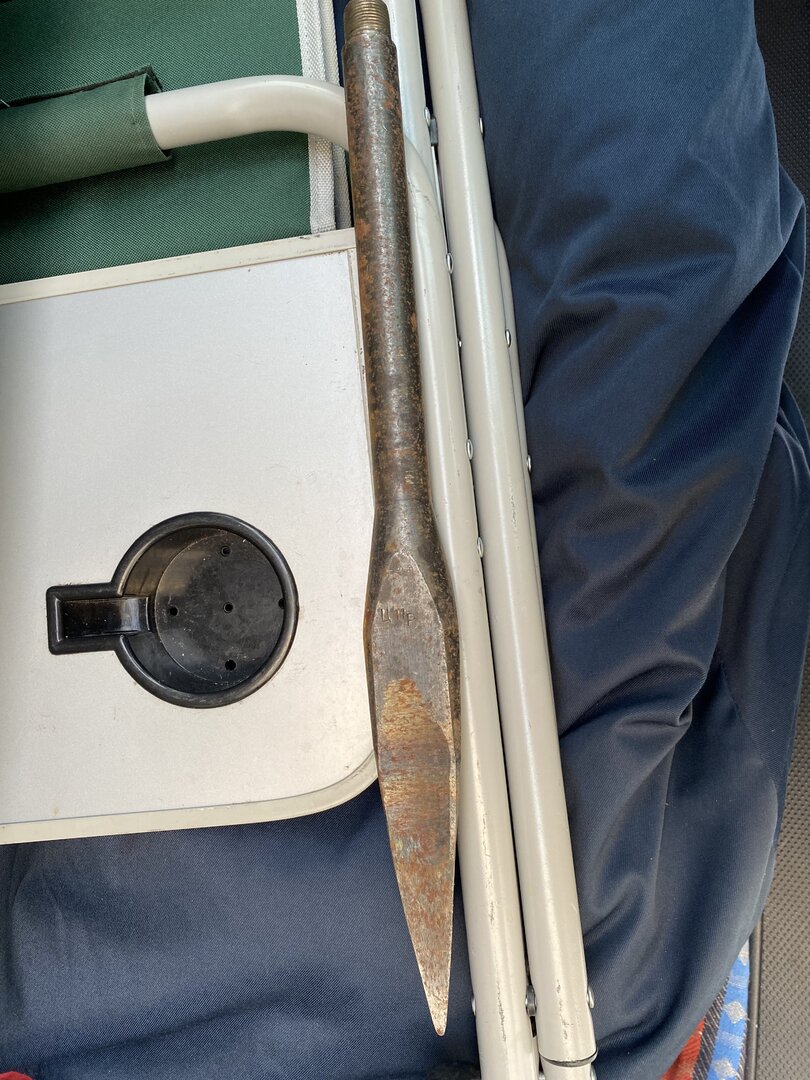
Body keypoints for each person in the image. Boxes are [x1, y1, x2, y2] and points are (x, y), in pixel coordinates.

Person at [2, 2, 807, 1078]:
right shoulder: (581, 949)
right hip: (509, 889)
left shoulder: (591, 950)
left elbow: (647, 244)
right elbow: (643, 235)